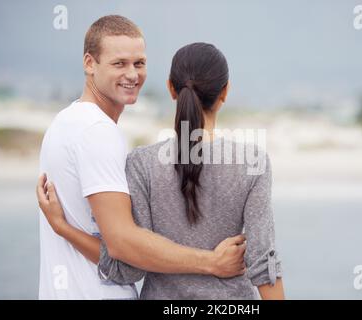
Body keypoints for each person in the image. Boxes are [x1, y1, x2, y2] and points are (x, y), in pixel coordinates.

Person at [38, 42, 284, 299]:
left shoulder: (141, 163)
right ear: (225, 92)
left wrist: (63, 227)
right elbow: (263, 263)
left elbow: (126, 267)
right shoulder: (252, 162)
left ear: (171, 88)